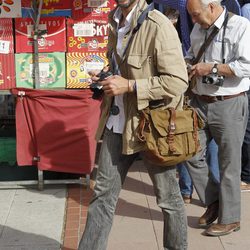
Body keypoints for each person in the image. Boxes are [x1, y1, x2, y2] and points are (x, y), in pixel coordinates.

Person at [78, 0, 189, 249]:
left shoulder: (158, 25)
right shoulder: (113, 20)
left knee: (169, 200)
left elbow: (178, 81)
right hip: (117, 124)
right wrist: (106, 77)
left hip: (152, 128)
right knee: (102, 196)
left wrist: (130, 86)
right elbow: (122, 67)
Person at [185, 0, 250, 236]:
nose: (193, 20)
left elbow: (247, 66)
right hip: (200, 102)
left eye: (196, 15)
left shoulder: (241, 26)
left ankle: (231, 218)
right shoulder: (197, 28)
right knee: (189, 153)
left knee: (229, 165)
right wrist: (189, 64)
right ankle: (213, 201)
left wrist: (211, 68)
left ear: (211, 7)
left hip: (229, 103)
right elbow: (193, 54)